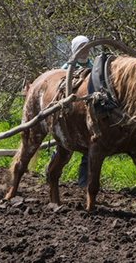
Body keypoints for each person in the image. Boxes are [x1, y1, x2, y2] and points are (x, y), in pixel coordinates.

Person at [46, 35, 92, 188]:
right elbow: (59, 87)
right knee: (62, 147)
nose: (84, 51)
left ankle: (84, 183)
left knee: (89, 151)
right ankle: (50, 171)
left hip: (87, 114)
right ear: (74, 50)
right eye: (81, 48)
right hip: (70, 114)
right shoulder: (67, 68)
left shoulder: (94, 67)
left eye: (86, 47)